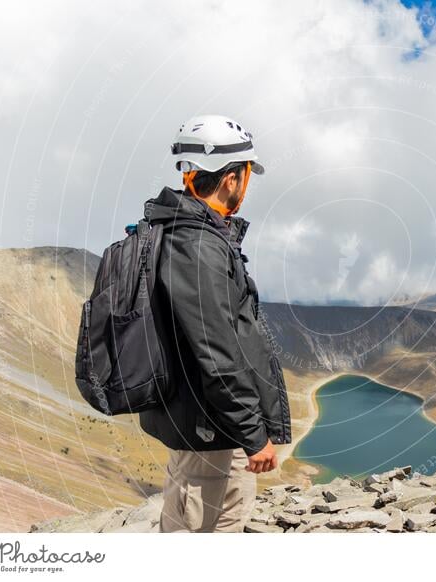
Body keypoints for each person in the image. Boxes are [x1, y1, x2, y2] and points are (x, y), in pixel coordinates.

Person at [138, 114, 292, 533]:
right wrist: (254, 433)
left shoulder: (193, 234)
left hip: (214, 423)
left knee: (225, 519)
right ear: (230, 180)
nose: (246, 184)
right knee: (198, 531)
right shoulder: (197, 245)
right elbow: (217, 352)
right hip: (207, 425)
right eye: (246, 174)